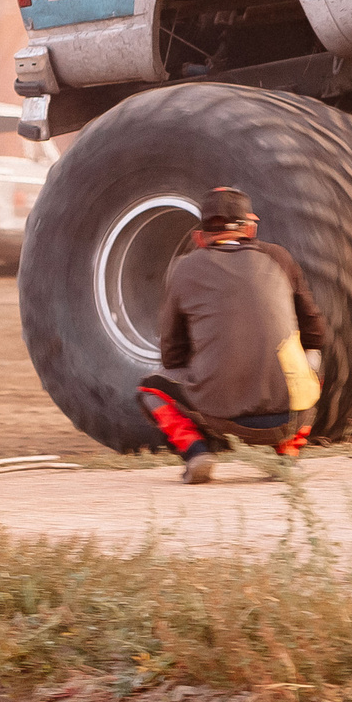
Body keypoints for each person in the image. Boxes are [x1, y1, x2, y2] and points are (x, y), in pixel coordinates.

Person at [136, 188, 323, 484]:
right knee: (312, 359)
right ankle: (288, 452)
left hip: (219, 416)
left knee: (151, 388)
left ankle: (197, 452)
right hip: (291, 416)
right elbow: (316, 333)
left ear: (200, 237)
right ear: (251, 229)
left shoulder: (184, 268)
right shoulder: (279, 258)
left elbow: (171, 354)